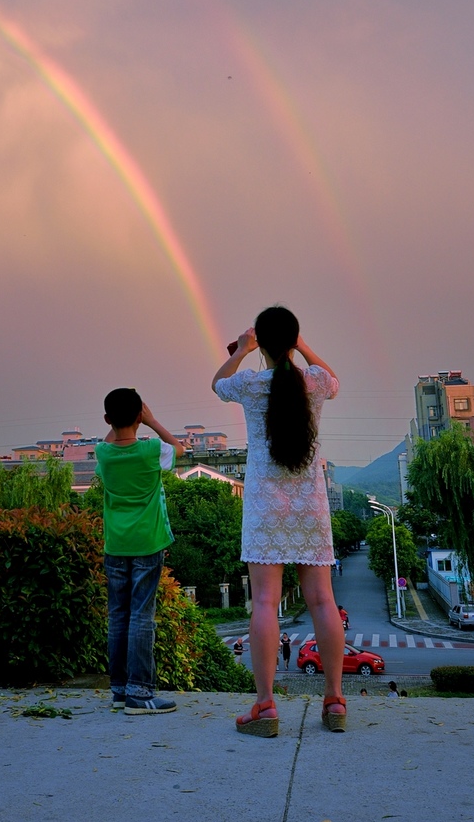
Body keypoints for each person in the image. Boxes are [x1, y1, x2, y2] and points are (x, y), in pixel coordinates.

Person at [212, 305, 345, 736]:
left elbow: (217, 384)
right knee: (322, 601)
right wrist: (301, 345)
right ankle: (335, 700)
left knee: (265, 603)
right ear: (291, 341)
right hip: (310, 505)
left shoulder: (250, 384)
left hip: (266, 507)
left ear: (260, 342)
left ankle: (266, 706)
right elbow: (333, 379)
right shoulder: (313, 383)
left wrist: (244, 349)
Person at [95, 388, 185, 715]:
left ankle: (119, 690)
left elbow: (108, 442)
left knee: (118, 616)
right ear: (138, 418)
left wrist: (122, 421)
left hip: (115, 545)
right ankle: (140, 693)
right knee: (141, 616)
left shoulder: (102, 454)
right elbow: (179, 447)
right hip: (147, 542)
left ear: (107, 419)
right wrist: (151, 420)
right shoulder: (150, 451)